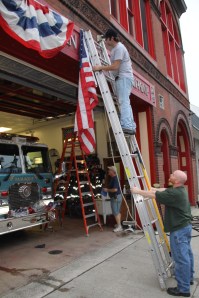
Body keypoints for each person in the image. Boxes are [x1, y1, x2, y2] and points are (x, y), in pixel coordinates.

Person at [131, 170, 194, 297]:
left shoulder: (174, 194)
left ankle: (183, 289)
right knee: (186, 255)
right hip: (184, 227)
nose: (170, 175)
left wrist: (137, 191)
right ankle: (189, 278)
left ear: (176, 180)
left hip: (179, 230)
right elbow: (164, 190)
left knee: (181, 259)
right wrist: (154, 189)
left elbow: (156, 196)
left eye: (172, 175)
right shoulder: (180, 190)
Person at [93, 28, 136, 135]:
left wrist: (100, 68)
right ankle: (130, 125)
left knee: (123, 102)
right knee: (125, 101)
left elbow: (115, 66)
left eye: (106, 39)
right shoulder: (115, 50)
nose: (105, 42)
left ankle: (126, 125)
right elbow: (115, 68)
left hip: (124, 78)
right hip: (123, 78)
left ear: (112, 38)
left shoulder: (119, 48)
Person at [103, 166, 123, 232]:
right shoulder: (113, 178)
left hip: (115, 197)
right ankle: (119, 224)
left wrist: (107, 190)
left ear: (112, 171)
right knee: (117, 211)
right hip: (117, 196)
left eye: (109, 170)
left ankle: (119, 226)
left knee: (115, 212)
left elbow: (115, 189)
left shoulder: (115, 179)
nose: (108, 171)